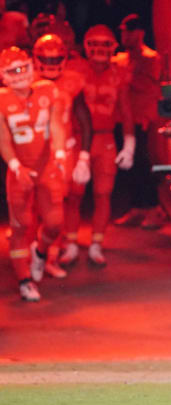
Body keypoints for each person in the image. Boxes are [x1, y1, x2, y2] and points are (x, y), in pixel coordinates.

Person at [0, 46, 66, 301]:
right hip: (19, 167)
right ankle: (24, 280)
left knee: (54, 222)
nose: (19, 75)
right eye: (12, 71)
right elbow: (3, 139)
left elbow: (56, 124)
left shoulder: (47, 90)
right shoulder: (3, 99)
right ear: (4, 75)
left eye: (22, 68)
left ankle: (40, 252)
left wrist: (60, 154)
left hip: (46, 165)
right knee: (21, 226)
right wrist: (16, 166)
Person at [71, 24, 135, 266]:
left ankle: (96, 243)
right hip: (78, 138)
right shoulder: (74, 70)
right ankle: (70, 243)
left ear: (112, 47)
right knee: (74, 193)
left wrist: (129, 144)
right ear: (86, 46)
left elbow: (126, 111)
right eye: (94, 43)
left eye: (104, 44)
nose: (98, 49)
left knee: (103, 193)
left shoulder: (119, 74)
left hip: (106, 138)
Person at [32, 33, 93, 269]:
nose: (51, 65)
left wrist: (84, 158)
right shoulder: (25, 82)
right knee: (32, 208)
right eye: (45, 60)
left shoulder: (72, 82)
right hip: (33, 154)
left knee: (59, 204)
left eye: (55, 59)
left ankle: (51, 253)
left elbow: (85, 120)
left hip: (62, 152)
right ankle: (35, 252)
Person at [112, 14, 166, 230]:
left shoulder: (151, 58)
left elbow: (151, 87)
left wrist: (126, 78)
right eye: (123, 31)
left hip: (141, 120)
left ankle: (153, 208)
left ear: (140, 32)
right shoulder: (120, 59)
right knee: (128, 166)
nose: (124, 35)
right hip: (122, 119)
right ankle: (136, 207)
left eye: (129, 31)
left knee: (144, 164)